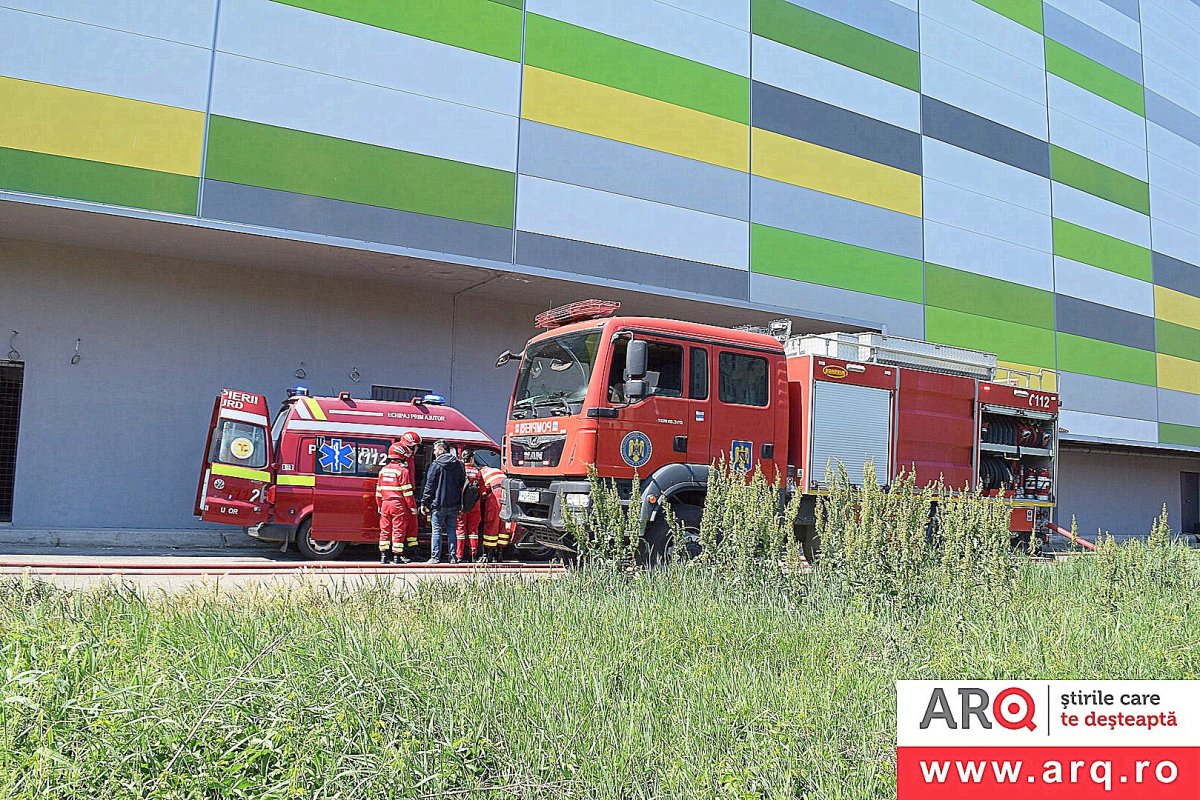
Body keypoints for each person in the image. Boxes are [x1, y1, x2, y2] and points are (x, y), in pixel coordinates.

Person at [375, 433, 420, 565]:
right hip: (398, 504)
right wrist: (412, 507)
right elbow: (407, 492)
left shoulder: (383, 470)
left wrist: (379, 505)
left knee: (385, 530)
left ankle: (384, 557)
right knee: (398, 529)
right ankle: (397, 557)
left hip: (385, 503)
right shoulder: (402, 471)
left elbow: (378, 491)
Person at [420, 440, 466, 563]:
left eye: (435, 450)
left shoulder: (435, 465)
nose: (434, 452)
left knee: (436, 531)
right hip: (454, 504)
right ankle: (453, 557)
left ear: (441, 450)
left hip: (438, 504)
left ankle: (435, 558)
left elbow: (429, 485)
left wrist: (424, 502)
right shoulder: (459, 465)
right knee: (452, 531)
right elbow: (462, 484)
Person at [455, 448, 485, 562]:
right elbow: (482, 490)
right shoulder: (477, 472)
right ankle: (473, 555)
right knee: (473, 531)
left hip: (461, 505)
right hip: (474, 505)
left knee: (460, 530)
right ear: (471, 459)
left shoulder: (459, 471)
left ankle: (459, 556)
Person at [478, 461, 506, 562]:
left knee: (491, 524)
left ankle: (489, 554)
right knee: (503, 525)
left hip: (494, 496)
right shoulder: (496, 470)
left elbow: (483, 492)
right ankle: (500, 554)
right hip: (507, 495)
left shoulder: (482, 473)